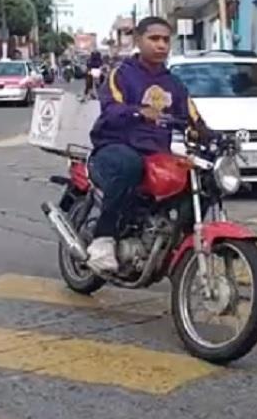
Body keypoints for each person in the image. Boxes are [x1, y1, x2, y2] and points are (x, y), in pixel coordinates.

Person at [86, 16, 209, 272]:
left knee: (204, 178)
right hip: (115, 145)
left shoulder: (174, 84)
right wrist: (138, 112)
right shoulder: (121, 74)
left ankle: (175, 240)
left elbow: (193, 117)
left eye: (166, 39)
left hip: (156, 151)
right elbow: (110, 108)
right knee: (129, 166)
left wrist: (212, 136)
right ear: (138, 41)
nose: (161, 45)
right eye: (154, 39)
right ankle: (103, 240)